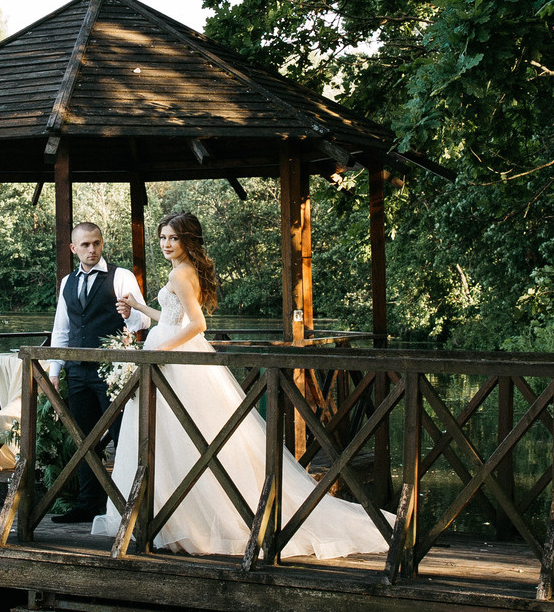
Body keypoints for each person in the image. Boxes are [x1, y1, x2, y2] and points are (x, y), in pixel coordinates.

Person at [94, 212, 389, 560]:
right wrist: (139, 307)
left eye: (172, 238)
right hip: (172, 353)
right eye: (162, 238)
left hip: (173, 358)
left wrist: (158, 348)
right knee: (177, 439)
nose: (165, 245)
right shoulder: (186, 271)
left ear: (189, 240)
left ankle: (183, 519)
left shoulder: (180, 273)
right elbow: (175, 319)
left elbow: (197, 325)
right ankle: (170, 517)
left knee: (181, 438)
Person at [46, 222, 150, 524]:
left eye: (97, 243)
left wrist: (131, 315)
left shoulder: (121, 276)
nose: (92, 250)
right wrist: (55, 369)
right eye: (86, 245)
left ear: (102, 243)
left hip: (111, 371)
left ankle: (129, 504)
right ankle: (88, 503)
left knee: (122, 436)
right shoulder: (67, 282)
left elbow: (144, 323)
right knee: (84, 439)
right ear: (73, 248)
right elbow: (61, 328)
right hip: (77, 372)